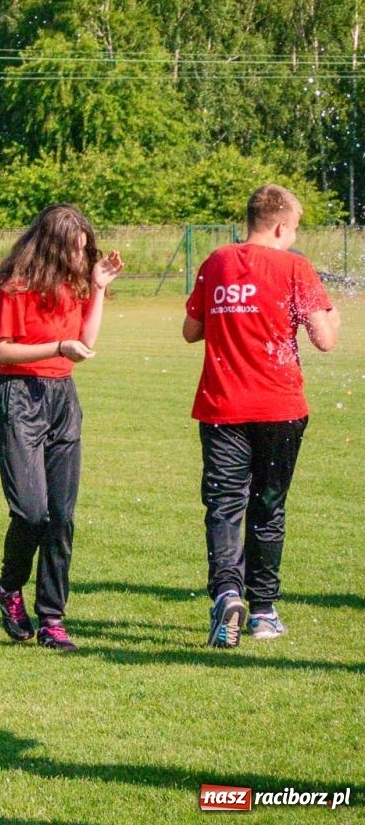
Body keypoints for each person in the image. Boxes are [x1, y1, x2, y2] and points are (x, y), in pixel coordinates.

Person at [184, 184, 339, 647]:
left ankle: (227, 593)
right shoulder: (295, 267)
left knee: (225, 505)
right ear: (280, 225)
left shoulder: (216, 262)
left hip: (222, 406)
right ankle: (264, 611)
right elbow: (324, 339)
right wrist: (332, 318)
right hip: (280, 407)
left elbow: (192, 330)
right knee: (268, 508)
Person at [0, 205, 123, 651]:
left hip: (64, 399)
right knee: (31, 512)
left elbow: (85, 342)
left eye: (85, 248)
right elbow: (0, 352)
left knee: (61, 516)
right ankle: (9, 587)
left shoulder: (77, 284)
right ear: (52, 246)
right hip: (20, 398)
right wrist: (57, 346)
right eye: (75, 248)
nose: (82, 256)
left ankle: (52, 618)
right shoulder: (16, 286)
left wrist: (98, 290)